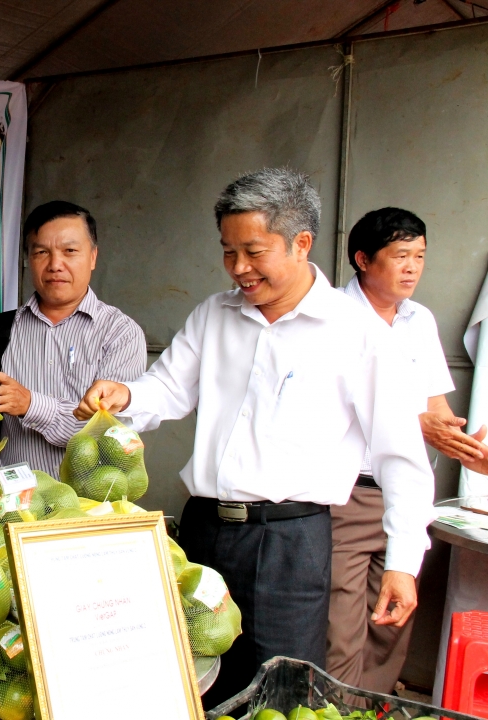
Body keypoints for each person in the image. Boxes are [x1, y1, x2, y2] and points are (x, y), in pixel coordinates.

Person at [75, 168, 435, 706]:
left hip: (290, 542)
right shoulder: (214, 315)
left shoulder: (356, 332)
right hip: (202, 532)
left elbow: (400, 456)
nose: (238, 268)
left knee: (278, 695)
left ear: (301, 244)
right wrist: (125, 396)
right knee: (189, 679)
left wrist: (404, 562)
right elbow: (167, 388)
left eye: (254, 251)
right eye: (227, 252)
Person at [327, 207, 488, 693]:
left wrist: (464, 446)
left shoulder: (418, 320)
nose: (412, 267)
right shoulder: (329, 317)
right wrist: (420, 425)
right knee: (339, 628)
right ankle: (333, 708)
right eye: (401, 255)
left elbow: (436, 407)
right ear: (363, 259)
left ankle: (375, 704)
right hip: (343, 497)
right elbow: (326, 413)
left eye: (420, 256)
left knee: (391, 621)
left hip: (404, 496)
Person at [0, 201, 147, 476]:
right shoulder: (1, 329)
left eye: (70, 251)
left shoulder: (120, 333)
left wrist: (31, 405)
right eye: (42, 252)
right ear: (28, 259)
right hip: (15, 505)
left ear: (93, 256)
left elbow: (108, 438)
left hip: (90, 507)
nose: (56, 264)